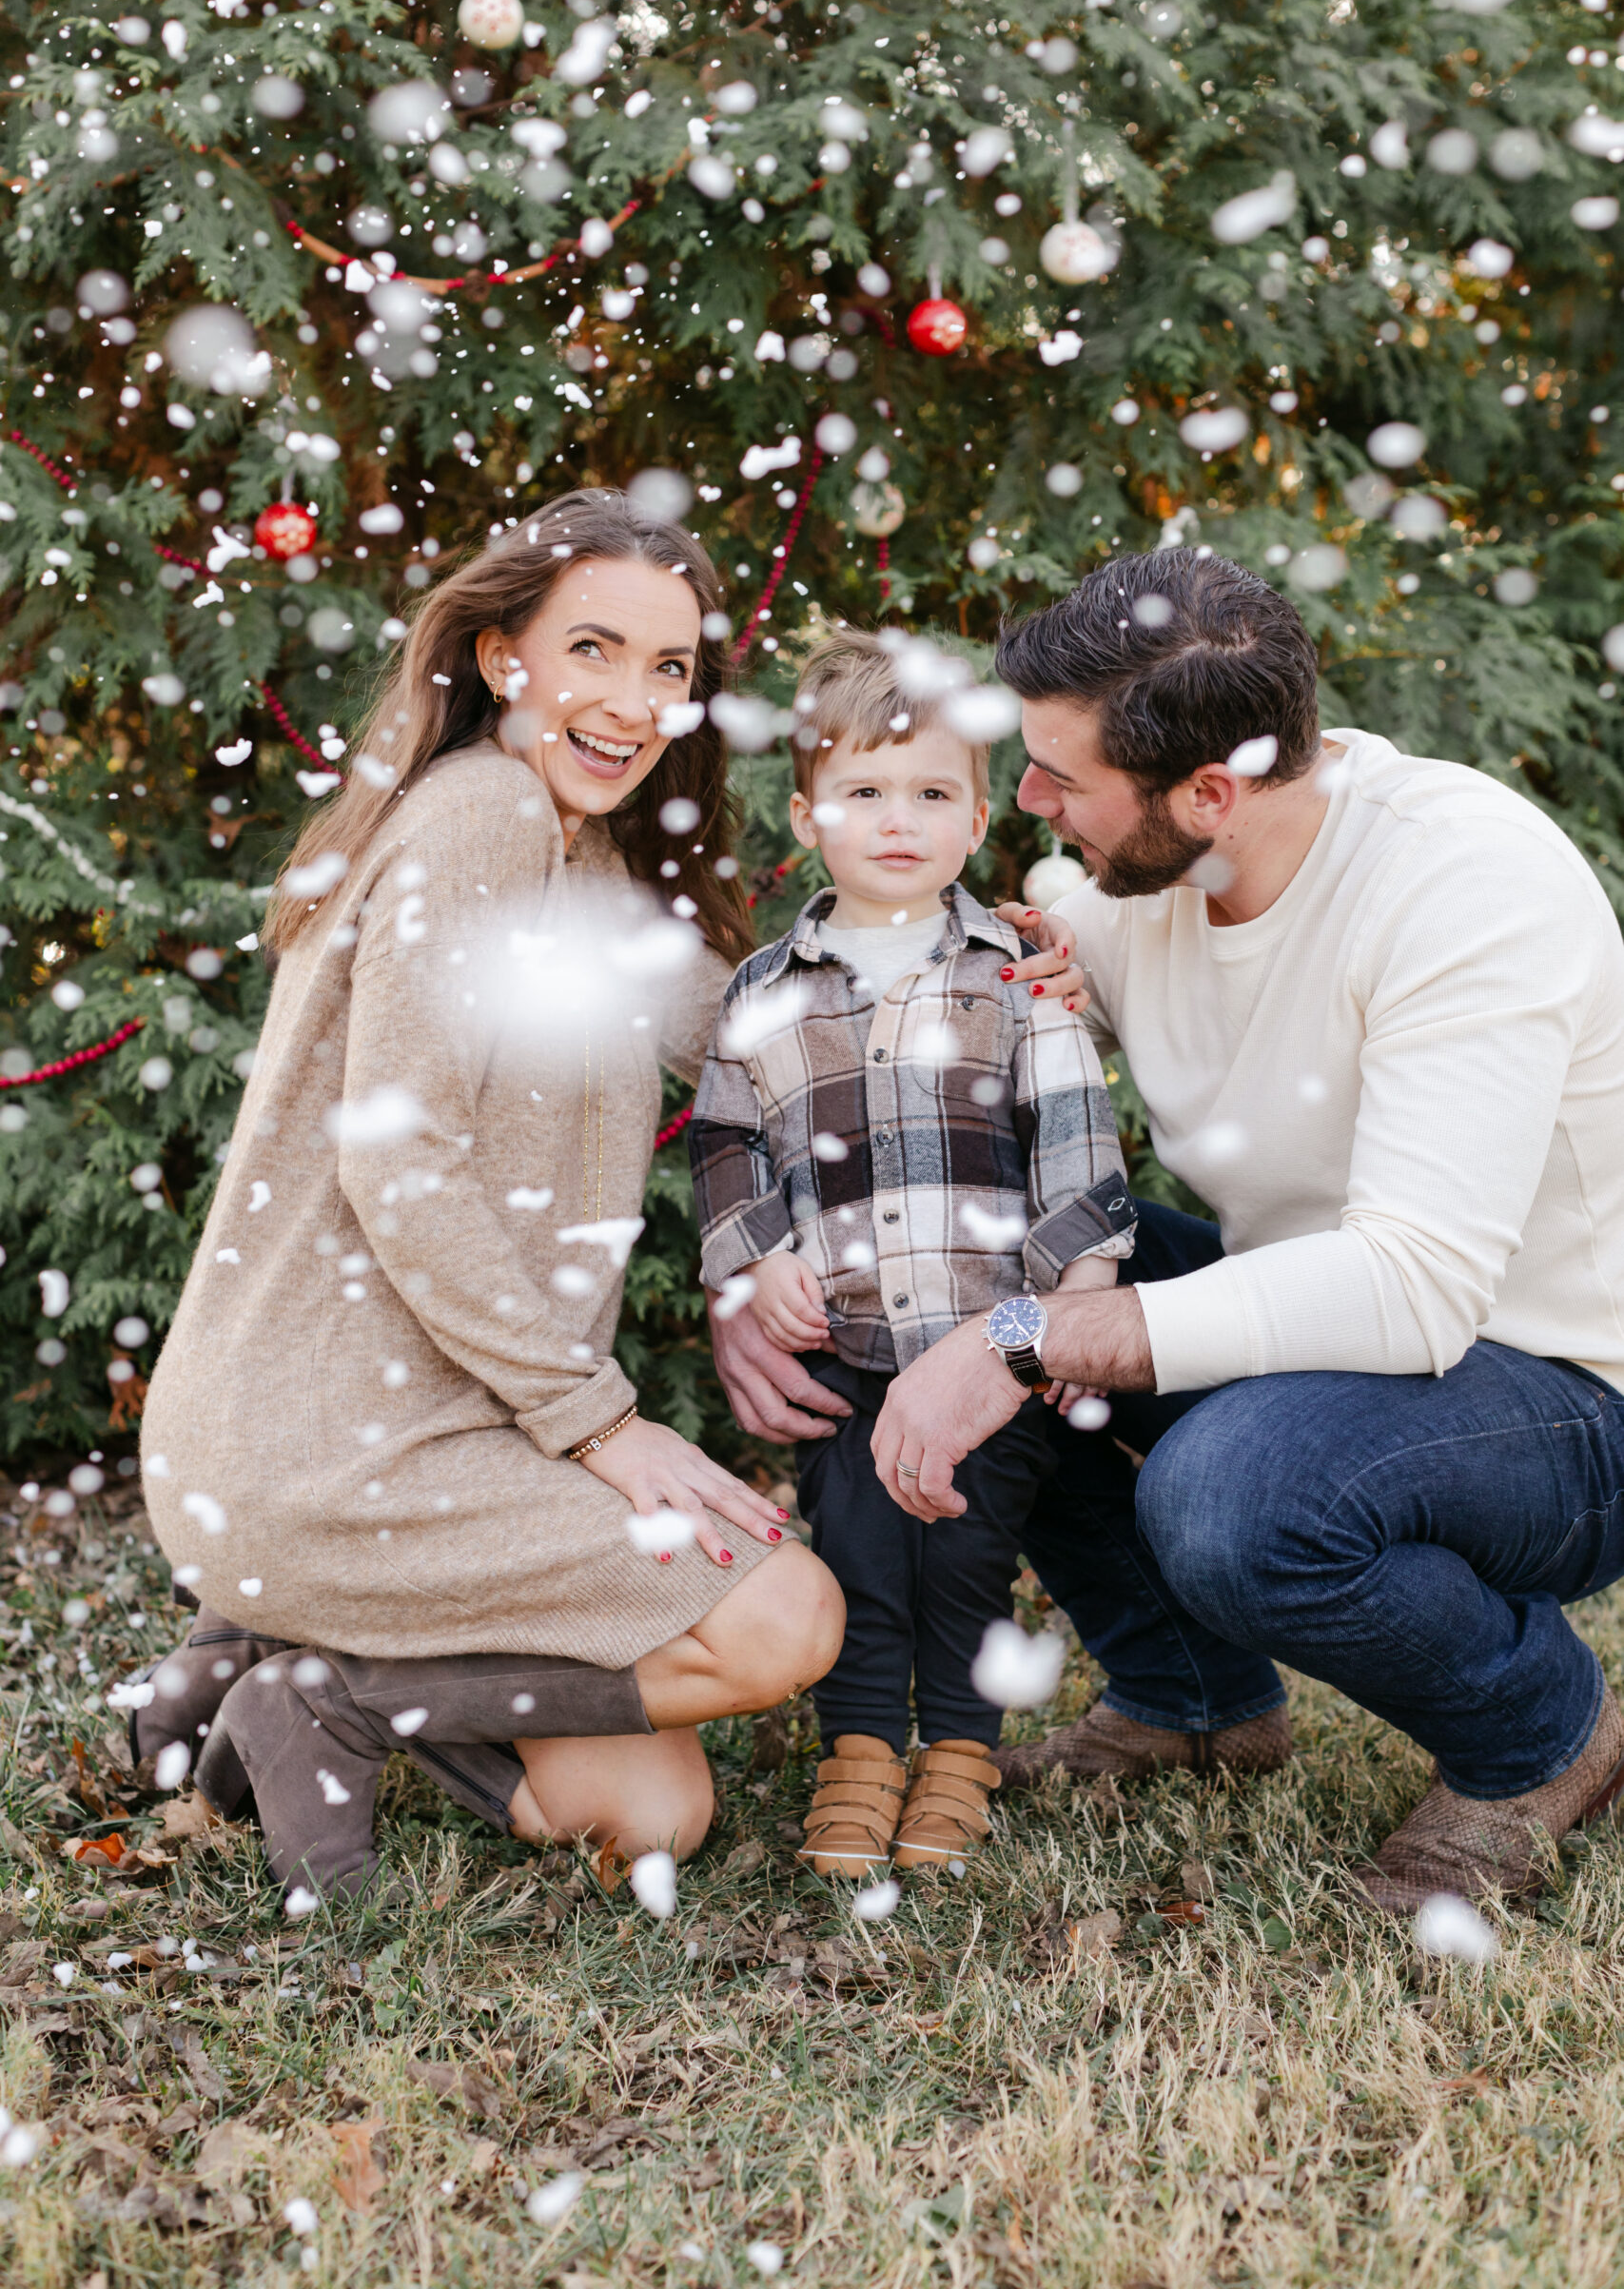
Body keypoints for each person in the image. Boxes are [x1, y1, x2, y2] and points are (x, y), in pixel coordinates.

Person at [713, 547, 1624, 1915]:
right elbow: (991, 954)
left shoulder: (1465, 890)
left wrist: (1023, 1337)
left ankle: (1541, 1739)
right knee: (985, 1269)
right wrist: (756, 1273)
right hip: (1327, 1319)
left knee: (1228, 1499)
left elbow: (1418, 1288)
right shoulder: (1143, 877)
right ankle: (1195, 1704)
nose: (1026, 802)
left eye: (1062, 781)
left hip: (1555, 1392)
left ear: (1210, 792)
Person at [135, 489, 846, 1901]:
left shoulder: (573, 854)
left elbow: (752, 1043)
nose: (633, 703)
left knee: (647, 1820)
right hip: (325, 1443)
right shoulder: (479, 823)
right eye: (594, 649)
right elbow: (396, 1160)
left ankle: (295, 1667)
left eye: (670, 670)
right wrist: (599, 1429)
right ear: (505, 653)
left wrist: (969, 969)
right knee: (779, 1620)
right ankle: (309, 1673)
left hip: (441, 1433)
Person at [687, 634, 1135, 1877]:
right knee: (861, 1560)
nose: (899, 822)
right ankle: (864, 1752)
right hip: (840, 1346)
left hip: (986, 1345)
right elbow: (726, 1138)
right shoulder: (764, 993)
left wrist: (1073, 1308)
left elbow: (1077, 1145)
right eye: (866, 794)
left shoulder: (1019, 981)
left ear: (979, 813)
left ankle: (958, 1759)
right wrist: (753, 1258)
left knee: (966, 1557)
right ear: (806, 812)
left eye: (933, 794)